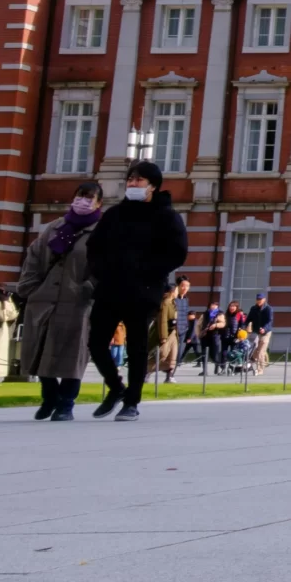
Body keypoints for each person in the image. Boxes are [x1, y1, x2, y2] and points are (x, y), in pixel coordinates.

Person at [82, 160, 188, 421]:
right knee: (96, 343)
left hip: (143, 289)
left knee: (137, 347)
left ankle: (132, 400)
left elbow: (177, 252)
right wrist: (101, 272)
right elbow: (94, 247)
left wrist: (149, 271)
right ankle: (117, 387)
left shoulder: (166, 216)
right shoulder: (115, 214)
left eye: (139, 180)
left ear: (153, 186)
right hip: (110, 287)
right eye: (130, 179)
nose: (133, 184)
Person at [12, 180, 99, 420]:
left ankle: (66, 403)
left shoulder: (102, 231)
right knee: (40, 352)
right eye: (80, 196)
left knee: (74, 355)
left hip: (78, 302)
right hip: (45, 299)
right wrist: (30, 289)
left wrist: (89, 288)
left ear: (99, 202)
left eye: (89, 197)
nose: (83, 201)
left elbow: (107, 265)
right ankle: (49, 397)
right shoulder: (54, 227)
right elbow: (34, 256)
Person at [248, 295, 274, 374]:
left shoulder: (268, 309)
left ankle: (260, 370)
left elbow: (270, 321)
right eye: (257, 299)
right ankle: (254, 361)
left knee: (261, 352)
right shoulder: (253, 308)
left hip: (266, 333)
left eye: (260, 299)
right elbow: (248, 319)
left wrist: (264, 329)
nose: (259, 301)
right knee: (255, 350)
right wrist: (242, 326)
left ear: (264, 300)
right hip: (256, 332)